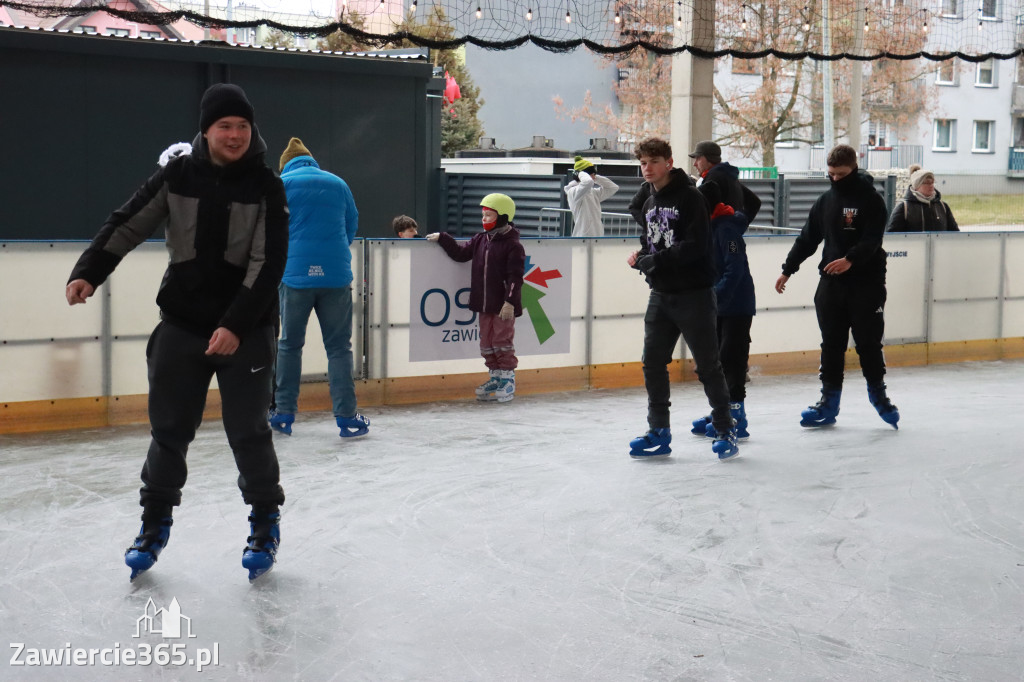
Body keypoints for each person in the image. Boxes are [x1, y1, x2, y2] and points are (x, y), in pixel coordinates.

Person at [65, 83, 288, 582]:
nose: (234, 135)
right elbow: (127, 224)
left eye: (242, 127)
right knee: (168, 433)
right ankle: (152, 524)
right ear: (206, 130)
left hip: (246, 331)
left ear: (252, 132)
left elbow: (269, 263)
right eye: (224, 126)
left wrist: (234, 324)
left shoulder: (266, 186)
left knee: (248, 432)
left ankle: (264, 522)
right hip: (183, 326)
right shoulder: (177, 175)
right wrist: (89, 271)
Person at [626, 137, 739, 461]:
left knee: (707, 366)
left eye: (653, 162)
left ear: (668, 163)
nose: (647, 168)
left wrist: (656, 260)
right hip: (661, 294)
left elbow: (695, 245)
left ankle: (724, 428)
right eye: (643, 163)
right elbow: (653, 242)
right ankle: (659, 430)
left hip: (694, 295)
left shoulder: (690, 197)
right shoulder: (648, 200)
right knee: (652, 363)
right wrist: (643, 257)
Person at [774, 144, 900, 430]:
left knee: (868, 343)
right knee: (831, 345)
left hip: (866, 285)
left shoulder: (871, 200)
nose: (835, 179)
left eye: (840, 174)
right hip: (831, 286)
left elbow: (872, 240)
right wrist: (787, 270)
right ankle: (828, 403)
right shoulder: (825, 201)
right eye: (830, 174)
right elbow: (808, 238)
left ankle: (879, 396)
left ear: (853, 169)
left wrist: (850, 260)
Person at [268, 137, 369, 440]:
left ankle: (283, 412)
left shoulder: (280, 184)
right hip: (336, 276)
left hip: (295, 275)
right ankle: (347, 418)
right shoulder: (338, 183)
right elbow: (351, 223)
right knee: (339, 348)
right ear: (311, 161)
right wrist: (334, 252)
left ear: (286, 164)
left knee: (289, 344)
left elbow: (268, 228)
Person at [686, 141, 761, 441]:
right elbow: (753, 202)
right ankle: (721, 409)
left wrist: (714, 296)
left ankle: (736, 413)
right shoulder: (715, 228)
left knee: (731, 358)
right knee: (716, 358)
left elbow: (735, 267)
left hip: (736, 304)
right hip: (719, 302)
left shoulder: (727, 231)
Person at [425, 194, 525, 402]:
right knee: (487, 342)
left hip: (502, 305)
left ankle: (508, 379)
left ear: (504, 216)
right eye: (483, 216)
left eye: (489, 215)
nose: (484, 219)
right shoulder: (481, 239)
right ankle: (495, 377)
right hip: (484, 303)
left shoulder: (513, 245)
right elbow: (461, 254)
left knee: (502, 341)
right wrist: (444, 238)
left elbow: (515, 277)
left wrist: (510, 302)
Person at [885, 168, 960, 233]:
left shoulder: (943, 207)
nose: (931, 185)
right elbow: (893, 237)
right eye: (927, 183)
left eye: (932, 182)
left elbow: (954, 234)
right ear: (916, 186)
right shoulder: (903, 208)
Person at [564, 156, 620, 237]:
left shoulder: (593, 193)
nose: (594, 177)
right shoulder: (573, 192)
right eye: (593, 174)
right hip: (582, 238)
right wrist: (580, 173)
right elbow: (588, 182)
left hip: (598, 236)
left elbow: (613, 188)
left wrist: (596, 177)